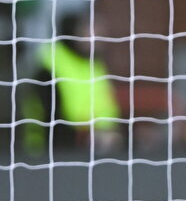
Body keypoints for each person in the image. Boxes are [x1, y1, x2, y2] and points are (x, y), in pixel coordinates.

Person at [16, 10, 122, 154]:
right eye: (89, 30)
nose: (97, 35)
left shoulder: (93, 63)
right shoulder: (49, 66)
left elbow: (106, 109)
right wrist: (87, 138)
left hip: (95, 149)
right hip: (51, 154)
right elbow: (48, 120)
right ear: (73, 32)